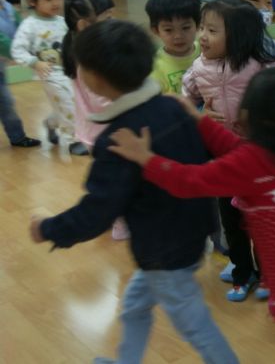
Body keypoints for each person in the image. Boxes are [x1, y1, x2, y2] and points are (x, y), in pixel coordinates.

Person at [109, 69, 275, 364]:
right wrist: (199, 120)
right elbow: (237, 151)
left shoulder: (253, 163)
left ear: (250, 117)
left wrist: (145, 158)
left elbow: (191, 181)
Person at [28, 19, 238, 364]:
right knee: (134, 308)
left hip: (163, 252)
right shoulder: (173, 106)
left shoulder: (119, 140)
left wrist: (48, 229)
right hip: (190, 231)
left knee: (195, 326)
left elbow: (97, 211)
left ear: (95, 78)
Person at [182, 0, 275, 301]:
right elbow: (186, 101)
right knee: (232, 221)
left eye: (212, 30)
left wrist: (261, 118)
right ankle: (242, 272)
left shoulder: (260, 66)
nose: (202, 36)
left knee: (261, 219)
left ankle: (268, 273)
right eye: (202, 28)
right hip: (223, 158)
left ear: (238, 36)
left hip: (257, 156)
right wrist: (200, 115)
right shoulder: (198, 68)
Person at [11, 0, 84, 153]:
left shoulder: (62, 21)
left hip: (70, 70)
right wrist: (35, 62)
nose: (56, 3)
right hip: (50, 74)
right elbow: (17, 50)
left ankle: (51, 123)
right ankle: (72, 140)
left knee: (70, 102)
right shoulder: (29, 25)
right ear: (32, 1)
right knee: (68, 103)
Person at [61, 0, 115, 157]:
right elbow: (101, 101)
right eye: (107, 19)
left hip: (94, 129)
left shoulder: (77, 45)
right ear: (84, 25)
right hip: (104, 132)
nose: (113, 22)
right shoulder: (90, 60)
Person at [0, 0, 40, 147]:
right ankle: (17, 136)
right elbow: (2, 41)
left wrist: (33, 47)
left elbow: (21, 30)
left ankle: (17, 137)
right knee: (6, 101)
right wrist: (19, 55)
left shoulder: (8, 7)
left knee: (5, 102)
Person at [146, 0, 202, 95]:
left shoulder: (205, 50)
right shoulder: (155, 65)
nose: (178, 36)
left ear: (198, 25)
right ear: (156, 30)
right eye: (168, 30)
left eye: (185, 28)